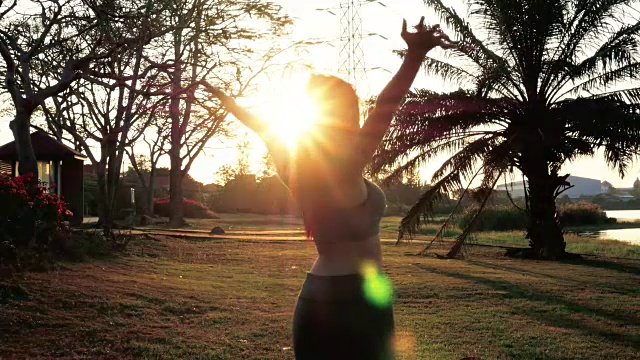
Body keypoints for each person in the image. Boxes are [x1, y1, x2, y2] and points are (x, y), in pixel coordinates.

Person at [203, 17, 455, 360]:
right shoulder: (345, 166)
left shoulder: (297, 172)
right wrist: (413, 56)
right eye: (352, 111)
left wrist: (231, 106)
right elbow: (386, 107)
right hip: (357, 301)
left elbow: (265, 129)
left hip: (318, 296)